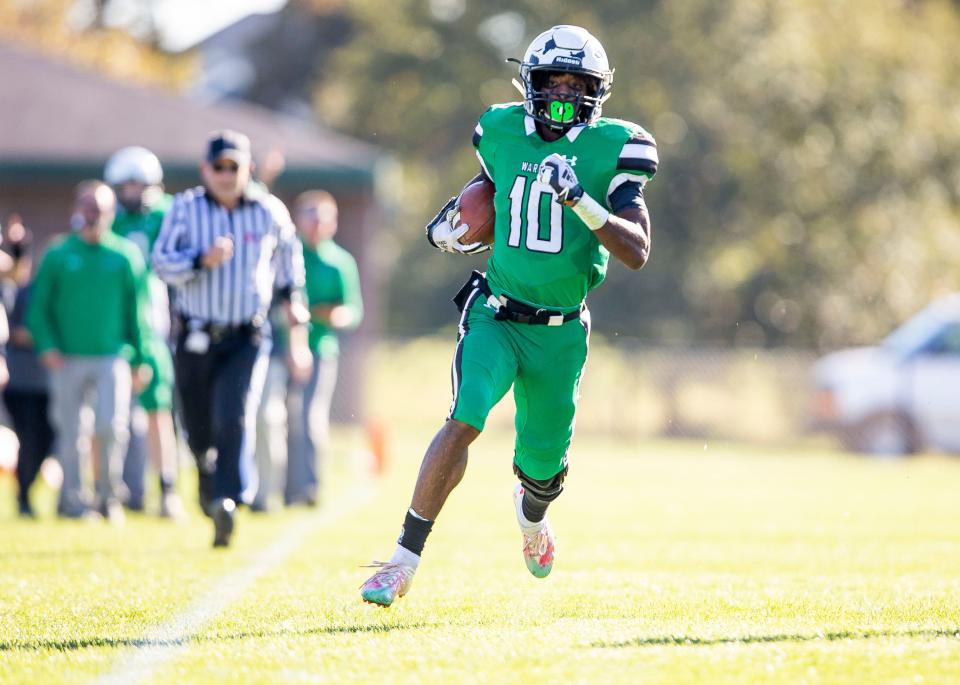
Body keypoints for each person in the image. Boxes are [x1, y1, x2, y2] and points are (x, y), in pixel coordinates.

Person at [360, 25, 658, 606]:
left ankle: (531, 518)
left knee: (542, 471)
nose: (565, 92)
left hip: (561, 330)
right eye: (554, 80)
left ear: (599, 90)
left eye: (578, 82)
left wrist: (582, 201)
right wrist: (457, 220)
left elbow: (638, 251)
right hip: (495, 311)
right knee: (464, 417)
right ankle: (402, 560)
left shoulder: (615, 147)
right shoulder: (498, 130)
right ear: (531, 83)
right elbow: (491, 187)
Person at [152, 130, 311, 547]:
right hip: (195, 334)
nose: (225, 175)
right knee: (197, 426)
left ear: (248, 170)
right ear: (206, 169)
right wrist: (200, 260)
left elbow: (290, 263)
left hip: (245, 334)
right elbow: (161, 263)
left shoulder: (268, 211)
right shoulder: (184, 208)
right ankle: (206, 474)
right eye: (218, 167)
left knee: (236, 415)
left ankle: (228, 500)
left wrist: (293, 306)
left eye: (233, 167)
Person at [26, 181, 152, 523]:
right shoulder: (58, 254)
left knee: (112, 426)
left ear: (112, 213)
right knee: (72, 432)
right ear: (76, 210)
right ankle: (73, 501)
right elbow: (39, 310)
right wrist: (48, 345)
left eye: (100, 208)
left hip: (112, 357)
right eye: (87, 207)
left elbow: (138, 312)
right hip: (67, 358)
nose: (93, 214)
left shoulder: (125, 255)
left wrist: (142, 357)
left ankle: (109, 496)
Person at [104, 146, 185, 520]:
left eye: (139, 184)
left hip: (159, 324)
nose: (132, 192)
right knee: (111, 416)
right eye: (127, 185)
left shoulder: (170, 214)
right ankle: (111, 491)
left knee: (158, 409)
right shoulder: (110, 220)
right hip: (116, 327)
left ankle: (167, 488)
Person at [285, 190, 363, 507]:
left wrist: (335, 315)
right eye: (310, 216)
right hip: (282, 349)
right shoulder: (289, 256)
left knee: (309, 418)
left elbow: (353, 310)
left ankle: (309, 488)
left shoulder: (341, 262)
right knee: (277, 420)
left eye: (322, 217)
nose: (316, 224)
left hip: (320, 350)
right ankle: (280, 487)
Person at [2, 231, 55, 518]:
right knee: (28, 438)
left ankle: (28, 491)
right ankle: (23, 497)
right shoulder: (23, 291)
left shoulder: (59, 293)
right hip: (22, 381)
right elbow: (16, 333)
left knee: (48, 439)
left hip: (50, 381)